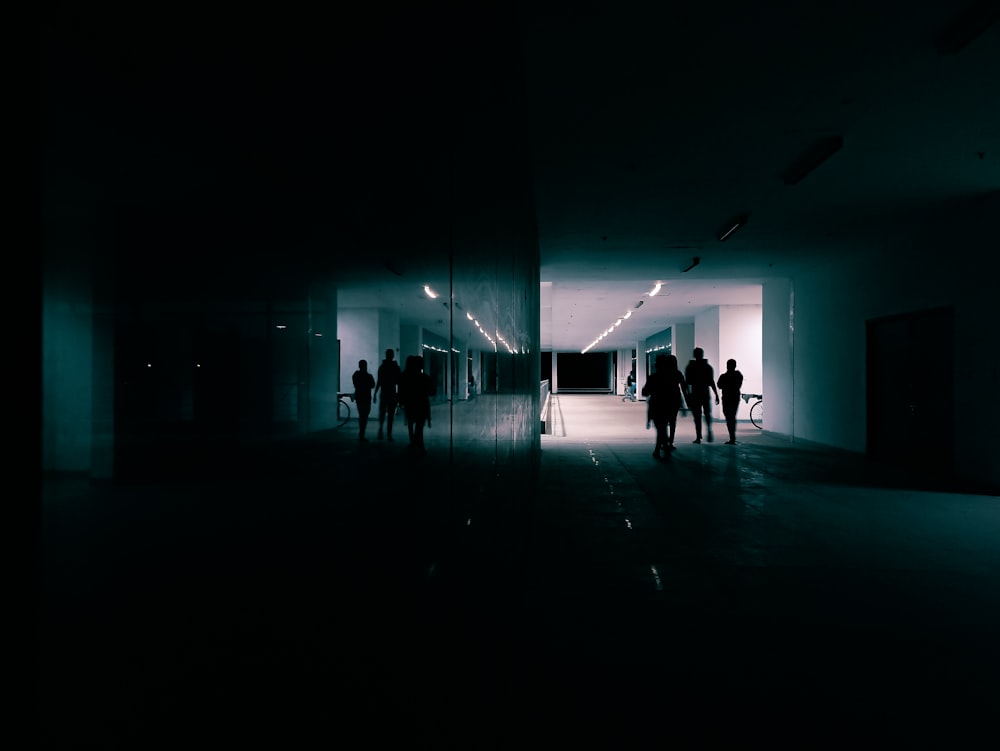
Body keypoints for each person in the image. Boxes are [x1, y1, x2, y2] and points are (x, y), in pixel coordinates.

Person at [641, 353, 687, 460]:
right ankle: (661, 448)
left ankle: (663, 449)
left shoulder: (654, 377)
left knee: (661, 428)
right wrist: (684, 404)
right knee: (664, 427)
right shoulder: (675, 375)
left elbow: (645, 392)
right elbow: (681, 390)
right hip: (672, 404)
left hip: (657, 405)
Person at [684, 347, 720, 443]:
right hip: (705, 393)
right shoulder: (707, 367)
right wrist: (716, 394)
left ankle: (698, 436)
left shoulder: (690, 367)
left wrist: (688, 396)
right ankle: (708, 429)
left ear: (694, 355)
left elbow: (687, 383)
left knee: (697, 416)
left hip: (695, 393)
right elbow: (711, 382)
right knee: (707, 414)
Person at [399, 355, 432, 455]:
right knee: (419, 425)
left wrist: (401, 401)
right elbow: (431, 390)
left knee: (410, 423)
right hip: (421, 403)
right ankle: (419, 443)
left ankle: (413, 441)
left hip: (410, 403)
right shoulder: (423, 377)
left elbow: (401, 390)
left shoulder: (404, 376)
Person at [373, 348, 401, 441]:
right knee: (391, 415)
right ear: (392, 355)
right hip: (392, 393)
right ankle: (389, 434)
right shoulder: (395, 367)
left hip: (384, 393)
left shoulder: (382, 367)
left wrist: (375, 394)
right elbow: (399, 381)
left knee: (382, 413)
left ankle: (381, 429)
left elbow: (379, 382)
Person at [716, 358, 744, 445]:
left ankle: (732, 436)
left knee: (729, 418)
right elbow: (739, 385)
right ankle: (732, 436)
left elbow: (719, 385)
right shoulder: (738, 375)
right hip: (735, 398)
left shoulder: (724, 376)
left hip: (727, 399)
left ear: (727, 366)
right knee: (732, 417)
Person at [351, 359, 376, 442]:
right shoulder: (369, 376)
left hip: (359, 397)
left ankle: (361, 434)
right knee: (365, 416)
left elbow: (355, 384)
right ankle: (362, 434)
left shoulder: (356, 375)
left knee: (362, 415)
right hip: (366, 397)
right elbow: (373, 385)